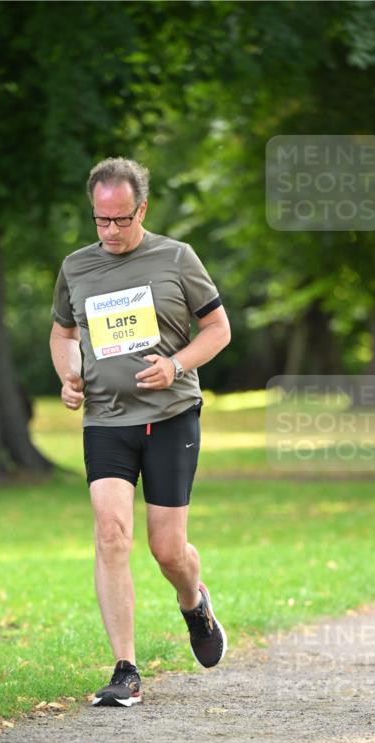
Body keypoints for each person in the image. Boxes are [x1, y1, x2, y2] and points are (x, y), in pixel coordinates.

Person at [49, 157, 231, 707]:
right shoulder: (76, 268)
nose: (109, 232)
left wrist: (175, 365)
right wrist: (69, 375)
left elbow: (218, 329)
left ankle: (193, 601)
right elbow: (62, 334)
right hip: (105, 418)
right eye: (100, 221)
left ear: (141, 210)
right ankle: (125, 669)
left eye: (120, 221)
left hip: (171, 415)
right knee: (110, 534)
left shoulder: (177, 258)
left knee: (167, 548)